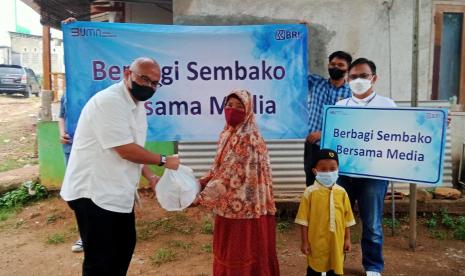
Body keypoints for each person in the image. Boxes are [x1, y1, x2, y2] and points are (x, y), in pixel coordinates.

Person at [60, 57, 180, 276]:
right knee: (101, 261)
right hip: (93, 193)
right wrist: (164, 160)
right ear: (127, 73)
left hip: (116, 192)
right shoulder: (110, 102)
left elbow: (133, 147)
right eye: (144, 78)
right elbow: (125, 149)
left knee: (122, 249)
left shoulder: (137, 104)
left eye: (155, 83)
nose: (149, 86)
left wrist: (151, 177)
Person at [192, 89, 280, 276]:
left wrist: (201, 197)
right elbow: (219, 167)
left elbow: (230, 174)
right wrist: (201, 182)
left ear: (248, 110)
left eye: (240, 107)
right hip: (228, 203)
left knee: (242, 250)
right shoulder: (227, 134)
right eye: (229, 105)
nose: (232, 110)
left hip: (247, 207)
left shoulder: (248, 138)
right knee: (229, 250)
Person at [336, 58, 396, 276]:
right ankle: (335, 260)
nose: (358, 80)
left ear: (374, 78)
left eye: (363, 76)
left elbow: (405, 135)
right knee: (338, 219)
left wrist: (436, 123)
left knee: (371, 222)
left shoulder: (388, 105)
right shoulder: (339, 108)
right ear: (347, 80)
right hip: (344, 174)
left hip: (374, 174)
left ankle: (372, 266)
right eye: (353, 77)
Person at [295, 149, 355, 276]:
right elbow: (303, 221)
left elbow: (347, 219)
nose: (328, 172)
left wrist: (347, 239)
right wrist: (305, 242)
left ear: (338, 169)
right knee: (314, 269)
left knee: (335, 268)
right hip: (316, 243)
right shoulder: (310, 193)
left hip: (337, 243)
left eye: (332, 169)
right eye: (323, 169)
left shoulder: (342, 192)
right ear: (315, 170)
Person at [305, 51, 352, 186]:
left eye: (340, 65)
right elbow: (297, 70)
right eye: (332, 64)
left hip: (337, 147)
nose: (335, 67)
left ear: (347, 69)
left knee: (336, 184)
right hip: (313, 146)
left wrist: (323, 134)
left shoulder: (351, 93)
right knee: (312, 181)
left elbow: (349, 122)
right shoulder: (315, 83)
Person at [58, 93, 83, 253]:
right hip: (70, 148)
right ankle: (84, 236)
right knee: (77, 194)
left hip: (92, 149)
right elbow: (62, 116)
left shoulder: (93, 90)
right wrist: (62, 133)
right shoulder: (67, 93)